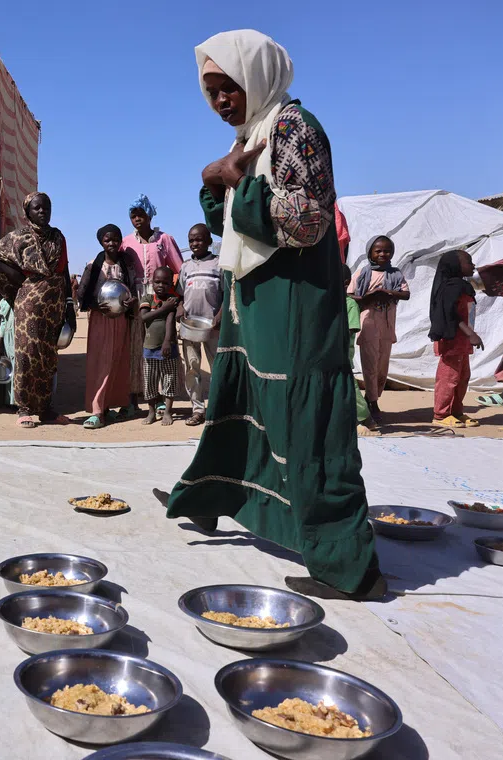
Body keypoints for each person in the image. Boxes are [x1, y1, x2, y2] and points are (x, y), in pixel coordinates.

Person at [157, 30, 385, 602]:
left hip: (295, 306)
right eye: (210, 91)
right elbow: (230, 222)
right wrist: (215, 183)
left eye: (227, 86)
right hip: (255, 299)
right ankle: (213, 498)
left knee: (307, 429)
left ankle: (347, 566)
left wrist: (239, 184)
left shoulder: (293, 127)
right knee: (242, 403)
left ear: (254, 76)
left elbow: (308, 221)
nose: (220, 100)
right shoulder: (253, 133)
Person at [0, 192, 76, 428]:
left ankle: (45, 409)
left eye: (46, 207)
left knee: (47, 357)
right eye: (37, 208)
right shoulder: (19, 238)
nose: (42, 211)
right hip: (29, 305)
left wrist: (69, 305)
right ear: (28, 212)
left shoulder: (58, 237)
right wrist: (20, 282)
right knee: (26, 355)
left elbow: (64, 271)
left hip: (53, 303)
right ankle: (24, 408)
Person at [76, 224, 137, 429]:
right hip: (100, 320)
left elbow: (131, 288)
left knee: (118, 362)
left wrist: (130, 302)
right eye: (107, 240)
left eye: (115, 239)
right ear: (101, 242)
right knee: (100, 363)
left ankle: (109, 405)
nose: (112, 243)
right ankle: (97, 411)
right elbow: (82, 294)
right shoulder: (94, 265)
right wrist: (95, 305)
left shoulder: (125, 264)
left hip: (120, 320)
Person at [348, 236, 409, 421]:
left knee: (382, 366)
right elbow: (350, 296)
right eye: (378, 251)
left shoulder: (396, 274)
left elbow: (406, 293)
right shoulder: (362, 273)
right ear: (370, 253)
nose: (383, 254)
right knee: (370, 365)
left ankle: (372, 397)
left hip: (387, 324)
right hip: (368, 324)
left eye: (387, 251)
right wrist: (371, 297)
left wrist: (389, 292)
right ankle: (372, 402)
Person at [430, 250, 483, 428]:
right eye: (468, 261)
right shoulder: (452, 287)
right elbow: (449, 314)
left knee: (463, 377)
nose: (473, 265)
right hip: (452, 339)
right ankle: (440, 414)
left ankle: (456, 411)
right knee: (449, 377)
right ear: (454, 266)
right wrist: (471, 333)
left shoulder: (462, 285)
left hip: (462, 340)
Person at [178, 223, 223, 426]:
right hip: (190, 326)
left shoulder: (219, 264)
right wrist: (180, 307)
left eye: (199, 239)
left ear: (209, 242)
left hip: (213, 327)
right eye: (191, 240)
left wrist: (220, 315)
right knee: (192, 368)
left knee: (217, 368)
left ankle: (216, 409)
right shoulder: (185, 267)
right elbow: (180, 295)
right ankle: (197, 409)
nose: (195, 243)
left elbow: (229, 293)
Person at [139, 267, 180, 426]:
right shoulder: (148, 298)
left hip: (168, 349)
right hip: (149, 348)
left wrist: (167, 341)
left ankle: (168, 412)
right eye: (157, 282)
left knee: (169, 380)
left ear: (171, 283)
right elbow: (144, 317)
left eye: (165, 282)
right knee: (150, 382)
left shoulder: (172, 300)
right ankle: (151, 412)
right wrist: (163, 308)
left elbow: (170, 320)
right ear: (152, 282)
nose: (161, 285)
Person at [122, 194, 182, 295]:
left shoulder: (164, 239)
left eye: (140, 215)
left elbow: (179, 270)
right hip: (133, 294)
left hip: (158, 293)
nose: (137, 219)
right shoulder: (126, 242)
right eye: (133, 217)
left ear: (149, 215)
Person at [345, 265, 379, 435]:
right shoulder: (328, 301)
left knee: (350, 386)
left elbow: (351, 328)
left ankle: (365, 417)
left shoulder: (349, 303)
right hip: (327, 353)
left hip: (341, 353)